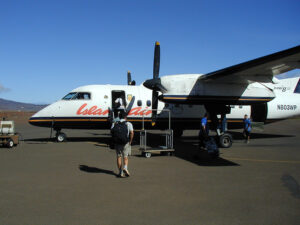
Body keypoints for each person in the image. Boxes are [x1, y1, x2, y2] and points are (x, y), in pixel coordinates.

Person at [111, 112, 134, 178]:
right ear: (125, 117)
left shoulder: (115, 123)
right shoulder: (128, 124)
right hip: (125, 142)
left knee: (119, 157)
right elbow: (132, 133)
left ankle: (120, 172)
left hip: (117, 143)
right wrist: (130, 141)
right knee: (125, 157)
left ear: (119, 117)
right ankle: (125, 168)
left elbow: (111, 131)